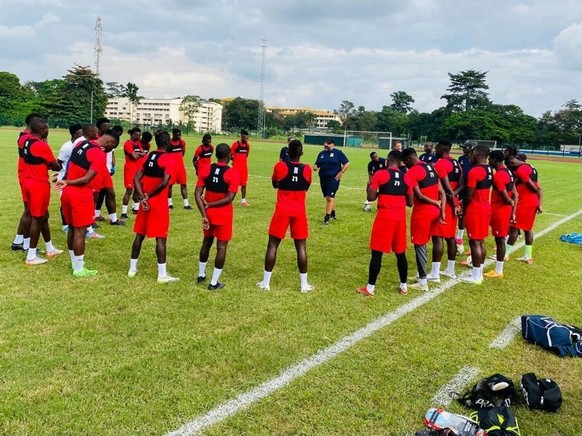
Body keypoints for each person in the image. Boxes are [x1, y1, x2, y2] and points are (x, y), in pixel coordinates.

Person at [57, 130, 119, 277]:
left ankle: (75, 263)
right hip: (80, 194)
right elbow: (86, 179)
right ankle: (79, 269)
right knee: (80, 231)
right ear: (109, 142)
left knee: (72, 228)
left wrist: (65, 179)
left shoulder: (80, 144)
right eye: (112, 147)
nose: (110, 150)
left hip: (67, 194)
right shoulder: (98, 153)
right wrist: (67, 181)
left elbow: (69, 166)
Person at [256, 139, 314, 293]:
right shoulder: (307, 169)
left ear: (287, 152)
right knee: (301, 247)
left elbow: (275, 184)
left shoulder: (280, 166)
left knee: (273, 245)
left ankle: (266, 283)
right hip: (299, 211)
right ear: (301, 152)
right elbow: (307, 186)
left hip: (282, 210)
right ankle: (304, 285)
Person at [357, 150, 412, 296]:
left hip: (384, 217)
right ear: (400, 163)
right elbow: (411, 202)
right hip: (400, 218)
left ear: (388, 160)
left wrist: (377, 190)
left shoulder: (380, 174)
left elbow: (371, 197)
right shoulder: (406, 177)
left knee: (377, 253)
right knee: (401, 253)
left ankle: (370, 288)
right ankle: (404, 286)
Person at [128, 130, 179, 283]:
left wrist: (141, 195)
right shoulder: (168, 159)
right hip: (157, 203)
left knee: (139, 235)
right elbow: (164, 183)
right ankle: (162, 275)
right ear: (168, 142)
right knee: (161, 238)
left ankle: (132, 269)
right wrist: (149, 195)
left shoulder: (149, 156)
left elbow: (136, 178)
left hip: (144, 203)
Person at [195, 143, 239, 290]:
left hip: (208, 215)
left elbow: (197, 193)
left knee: (206, 242)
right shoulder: (232, 173)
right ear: (228, 156)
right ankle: (214, 283)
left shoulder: (206, 169)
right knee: (221, 247)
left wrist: (204, 213)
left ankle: (201, 275)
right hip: (223, 215)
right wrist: (212, 205)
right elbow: (230, 198)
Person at [402, 147, 446, 292]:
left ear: (408, 159)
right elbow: (442, 191)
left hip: (423, 212)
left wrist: (434, 202)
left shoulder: (413, 171)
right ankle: (421, 275)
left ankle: (422, 281)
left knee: (419, 244)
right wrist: (442, 210)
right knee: (428, 242)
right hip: (435, 212)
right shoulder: (430, 167)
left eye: (405, 162)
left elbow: (418, 196)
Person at [21, 118, 63, 265]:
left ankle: (50, 248)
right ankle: (31, 256)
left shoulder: (27, 141)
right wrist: (54, 164)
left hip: (28, 180)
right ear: (41, 131)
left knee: (43, 216)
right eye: (47, 128)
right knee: (37, 218)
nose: (48, 130)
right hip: (38, 184)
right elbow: (56, 166)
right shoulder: (41, 146)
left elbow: (39, 161)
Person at [428, 140, 462, 280]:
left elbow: (446, 186)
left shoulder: (441, 163)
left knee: (437, 237)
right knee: (450, 237)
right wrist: (456, 198)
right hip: (453, 202)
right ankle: (450, 269)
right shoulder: (456, 163)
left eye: (436, 148)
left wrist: (453, 202)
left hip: (445, 204)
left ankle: (435, 273)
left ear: (442, 149)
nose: (434, 150)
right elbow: (462, 184)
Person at [460, 145, 493, 284]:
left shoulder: (475, 171)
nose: (470, 156)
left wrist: (462, 206)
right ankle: (478, 272)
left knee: (474, 242)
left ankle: (476, 276)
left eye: (472, 154)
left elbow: (469, 195)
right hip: (485, 206)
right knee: (481, 241)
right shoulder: (490, 169)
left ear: (478, 154)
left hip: (476, 208)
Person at [12, 113, 44, 252]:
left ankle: (18, 241)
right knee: (30, 212)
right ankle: (25, 244)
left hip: (28, 175)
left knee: (30, 211)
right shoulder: (26, 138)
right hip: (27, 176)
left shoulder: (27, 137)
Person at [484, 150, 518, 278]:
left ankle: (499, 270)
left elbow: (506, 197)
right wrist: (513, 210)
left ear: (495, 160)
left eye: (490, 159)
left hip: (499, 211)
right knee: (498, 239)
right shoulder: (507, 171)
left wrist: (510, 203)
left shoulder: (499, 175)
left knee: (499, 240)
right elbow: (515, 193)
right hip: (503, 210)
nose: (488, 162)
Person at [505, 155, 542, 264]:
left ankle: (505, 254)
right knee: (527, 228)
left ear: (511, 164)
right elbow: (539, 187)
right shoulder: (531, 166)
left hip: (525, 202)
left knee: (514, 228)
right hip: (533, 202)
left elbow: (534, 188)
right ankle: (527, 256)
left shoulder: (521, 170)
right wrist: (539, 203)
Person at [94, 117, 124, 226]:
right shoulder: (95, 139)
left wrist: (113, 165)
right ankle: (92, 219)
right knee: (95, 195)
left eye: (109, 126)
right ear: (99, 127)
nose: (107, 128)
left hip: (106, 170)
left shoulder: (110, 138)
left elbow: (112, 153)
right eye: (105, 127)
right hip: (96, 171)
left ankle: (114, 219)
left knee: (110, 193)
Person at [313, 138, 350, 224]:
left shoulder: (338, 153)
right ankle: (333, 213)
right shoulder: (321, 154)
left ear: (333, 144)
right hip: (323, 179)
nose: (326, 145)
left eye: (328, 144)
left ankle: (327, 217)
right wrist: (315, 167)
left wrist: (341, 172)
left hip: (333, 179)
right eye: (325, 143)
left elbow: (347, 163)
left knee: (330, 197)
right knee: (328, 197)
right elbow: (317, 164)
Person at [57, 123, 84, 232]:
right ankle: (65, 225)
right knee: (65, 202)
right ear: (76, 133)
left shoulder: (81, 145)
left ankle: (75, 223)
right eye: (81, 133)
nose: (83, 135)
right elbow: (59, 162)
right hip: (64, 177)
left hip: (74, 178)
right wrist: (60, 175)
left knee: (75, 202)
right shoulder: (66, 147)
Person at [121, 127, 146, 218]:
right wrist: (140, 154)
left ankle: (136, 209)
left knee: (137, 190)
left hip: (138, 170)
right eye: (137, 134)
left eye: (140, 135)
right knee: (129, 190)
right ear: (132, 134)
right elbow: (134, 157)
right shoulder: (128, 144)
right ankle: (124, 212)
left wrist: (138, 154)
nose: (139, 136)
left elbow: (143, 154)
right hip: (130, 169)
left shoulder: (138, 143)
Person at [455, 140, 474, 253]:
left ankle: (472, 237)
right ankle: (460, 237)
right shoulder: (461, 159)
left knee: (470, 213)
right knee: (461, 213)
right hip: (462, 187)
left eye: (465, 147)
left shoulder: (475, 159)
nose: (463, 149)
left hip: (471, 188)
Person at [168, 128, 191, 209]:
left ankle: (186, 204)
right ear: (173, 134)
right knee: (169, 185)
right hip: (171, 168)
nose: (179, 136)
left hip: (180, 168)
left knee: (184, 185)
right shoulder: (169, 143)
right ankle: (169, 203)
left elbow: (182, 153)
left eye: (180, 134)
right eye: (177, 135)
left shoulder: (182, 143)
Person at [230, 129, 251, 206]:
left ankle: (243, 201)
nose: (246, 140)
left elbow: (246, 156)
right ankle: (230, 200)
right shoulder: (235, 145)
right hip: (236, 169)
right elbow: (230, 155)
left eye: (247, 138)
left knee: (244, 184)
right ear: (241, 137)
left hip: (244, 169)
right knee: (234, 184)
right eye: (245, 138)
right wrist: (235, 160)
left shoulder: (247, 146)